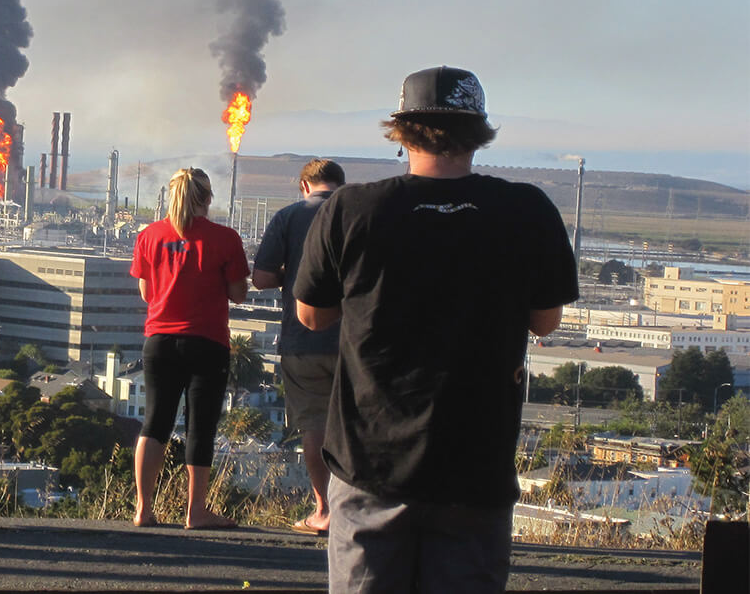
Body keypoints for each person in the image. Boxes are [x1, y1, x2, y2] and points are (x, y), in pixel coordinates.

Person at [294, 67, 578, 593]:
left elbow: (311, 315)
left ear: (401, 131)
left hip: (369, 462)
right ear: (479, 133)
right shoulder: (526, 210)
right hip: (475, 466)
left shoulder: (352, 209)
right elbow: (546, 321)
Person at [130, 167, 249, 530]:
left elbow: (147, 293)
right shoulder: (225, 239)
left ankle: (143, 508)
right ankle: (196, 511)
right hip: (207, 342)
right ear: (208, 199)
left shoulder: (149, 235)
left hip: (160, 341)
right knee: (201, 427)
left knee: (155, 422)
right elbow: (238, 293)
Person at [251, 157, 344, 536]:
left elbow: (260, 278)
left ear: (304, 186)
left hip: (302, 339)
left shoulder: (288, 217)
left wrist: (295, 275)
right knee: (354, 425)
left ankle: (324, 509)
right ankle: (356, 507)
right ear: (341, 184)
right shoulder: (359, 215)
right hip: (352, 342)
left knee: (313, 425)